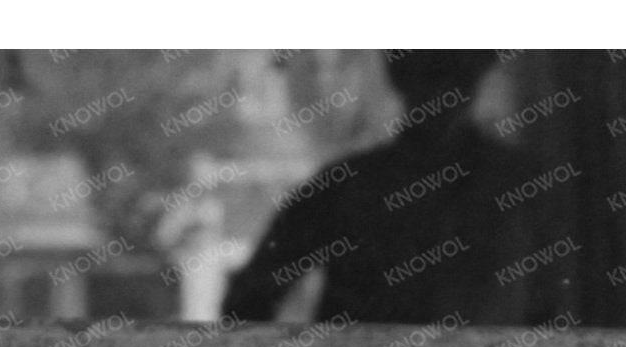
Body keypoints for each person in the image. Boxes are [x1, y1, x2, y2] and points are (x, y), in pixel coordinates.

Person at [221, 52, 566, 328]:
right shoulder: (347, 187)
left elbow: (552, 317)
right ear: (399, 72)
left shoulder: (523, 187)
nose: (443, 86)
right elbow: (249, 301)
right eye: (429, 68)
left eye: (456, 66)